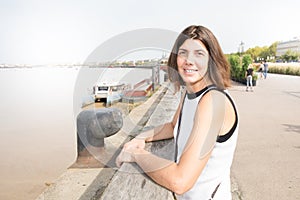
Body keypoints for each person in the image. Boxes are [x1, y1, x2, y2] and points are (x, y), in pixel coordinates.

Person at [116, 25, 239, 200]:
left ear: (211, 60)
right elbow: (173, 126)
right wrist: (141, 138)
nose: (189, 60)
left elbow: (181, 181)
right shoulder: (190, 93)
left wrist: (136, 154)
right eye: (183, 53)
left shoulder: (213, 102)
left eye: (199, 53)